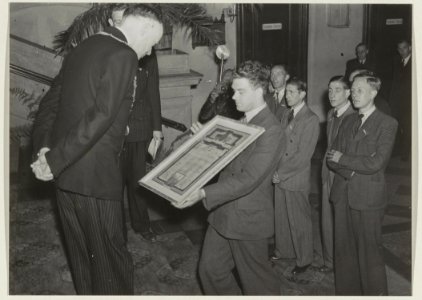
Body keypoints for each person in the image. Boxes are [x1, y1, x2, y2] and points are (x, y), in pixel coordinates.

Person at [30, 6, 164, 295]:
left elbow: (51, 104)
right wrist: (53, 160)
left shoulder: (84, 46)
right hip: (95, 178)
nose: (149, 52)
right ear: (141, 31)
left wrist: (46, 151)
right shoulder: (124, 54)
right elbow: (101, 116)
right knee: (110, 263)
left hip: (65, 177)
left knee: (82, 258)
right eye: (152, 44)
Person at [173, 61, 284, 295]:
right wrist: (204, 139)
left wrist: (202, 193)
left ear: (259, 91)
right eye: (234, 90)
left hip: (247, 218)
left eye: (240, 91)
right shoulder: (241, 121)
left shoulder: (272, 130)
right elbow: (224, 161)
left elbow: (249, 179)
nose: (234, 97)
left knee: (258, 283)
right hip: (223, 214)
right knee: (210, 271)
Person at [327, 74, 398, 295]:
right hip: (343, 194)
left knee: (370, 256)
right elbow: (331, 157)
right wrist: (353, 167)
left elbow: (377, 162)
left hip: (368, 198)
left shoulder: (387, 123)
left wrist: (344, 159)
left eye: (359, 90)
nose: (354, 94)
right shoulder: (348, 121)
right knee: (344, 253)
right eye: (353, 90)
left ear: (373, 93)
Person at [108, 9, 164, 242]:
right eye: (119, 21)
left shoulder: (147, 48)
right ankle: (116, 231)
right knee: (113, 184)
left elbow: (153, 91)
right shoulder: (108, 49)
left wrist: (157, 128)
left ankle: (142, 225)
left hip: (140, 128)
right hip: (114, 132)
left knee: (138, 182)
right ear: (111, 23)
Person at [271, 77, 319, 277]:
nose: (287, 96)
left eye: (291, 92)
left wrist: (280, 174)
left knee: (299, 221)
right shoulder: (286, 114)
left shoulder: (310, 119)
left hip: (294, 177)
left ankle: (304, 259)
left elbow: (303, 156)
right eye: (287, 92)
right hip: (280, 175)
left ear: (302, 94)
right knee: (281, 218)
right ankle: (284, 252)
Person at [319, 75, 355, 273]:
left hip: (343, 174)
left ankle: (342, 265)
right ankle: (329, 262)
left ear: (348, 92)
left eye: (337, 90)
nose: (332, 94)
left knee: (342, 222)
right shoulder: (332, 113)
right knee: (327, 219)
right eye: (330, 90)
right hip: (328, 171)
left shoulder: (354, 115)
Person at [388, 39, 411, 161]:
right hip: (397, 101)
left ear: (410, 48)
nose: (402, 51)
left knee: (407, 127)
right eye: (399, 49)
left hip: (409, 103)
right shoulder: (395, 61)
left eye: (404, 48)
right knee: (395, 126)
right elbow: (394, 83)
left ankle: (405, 154)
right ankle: (396, 151)